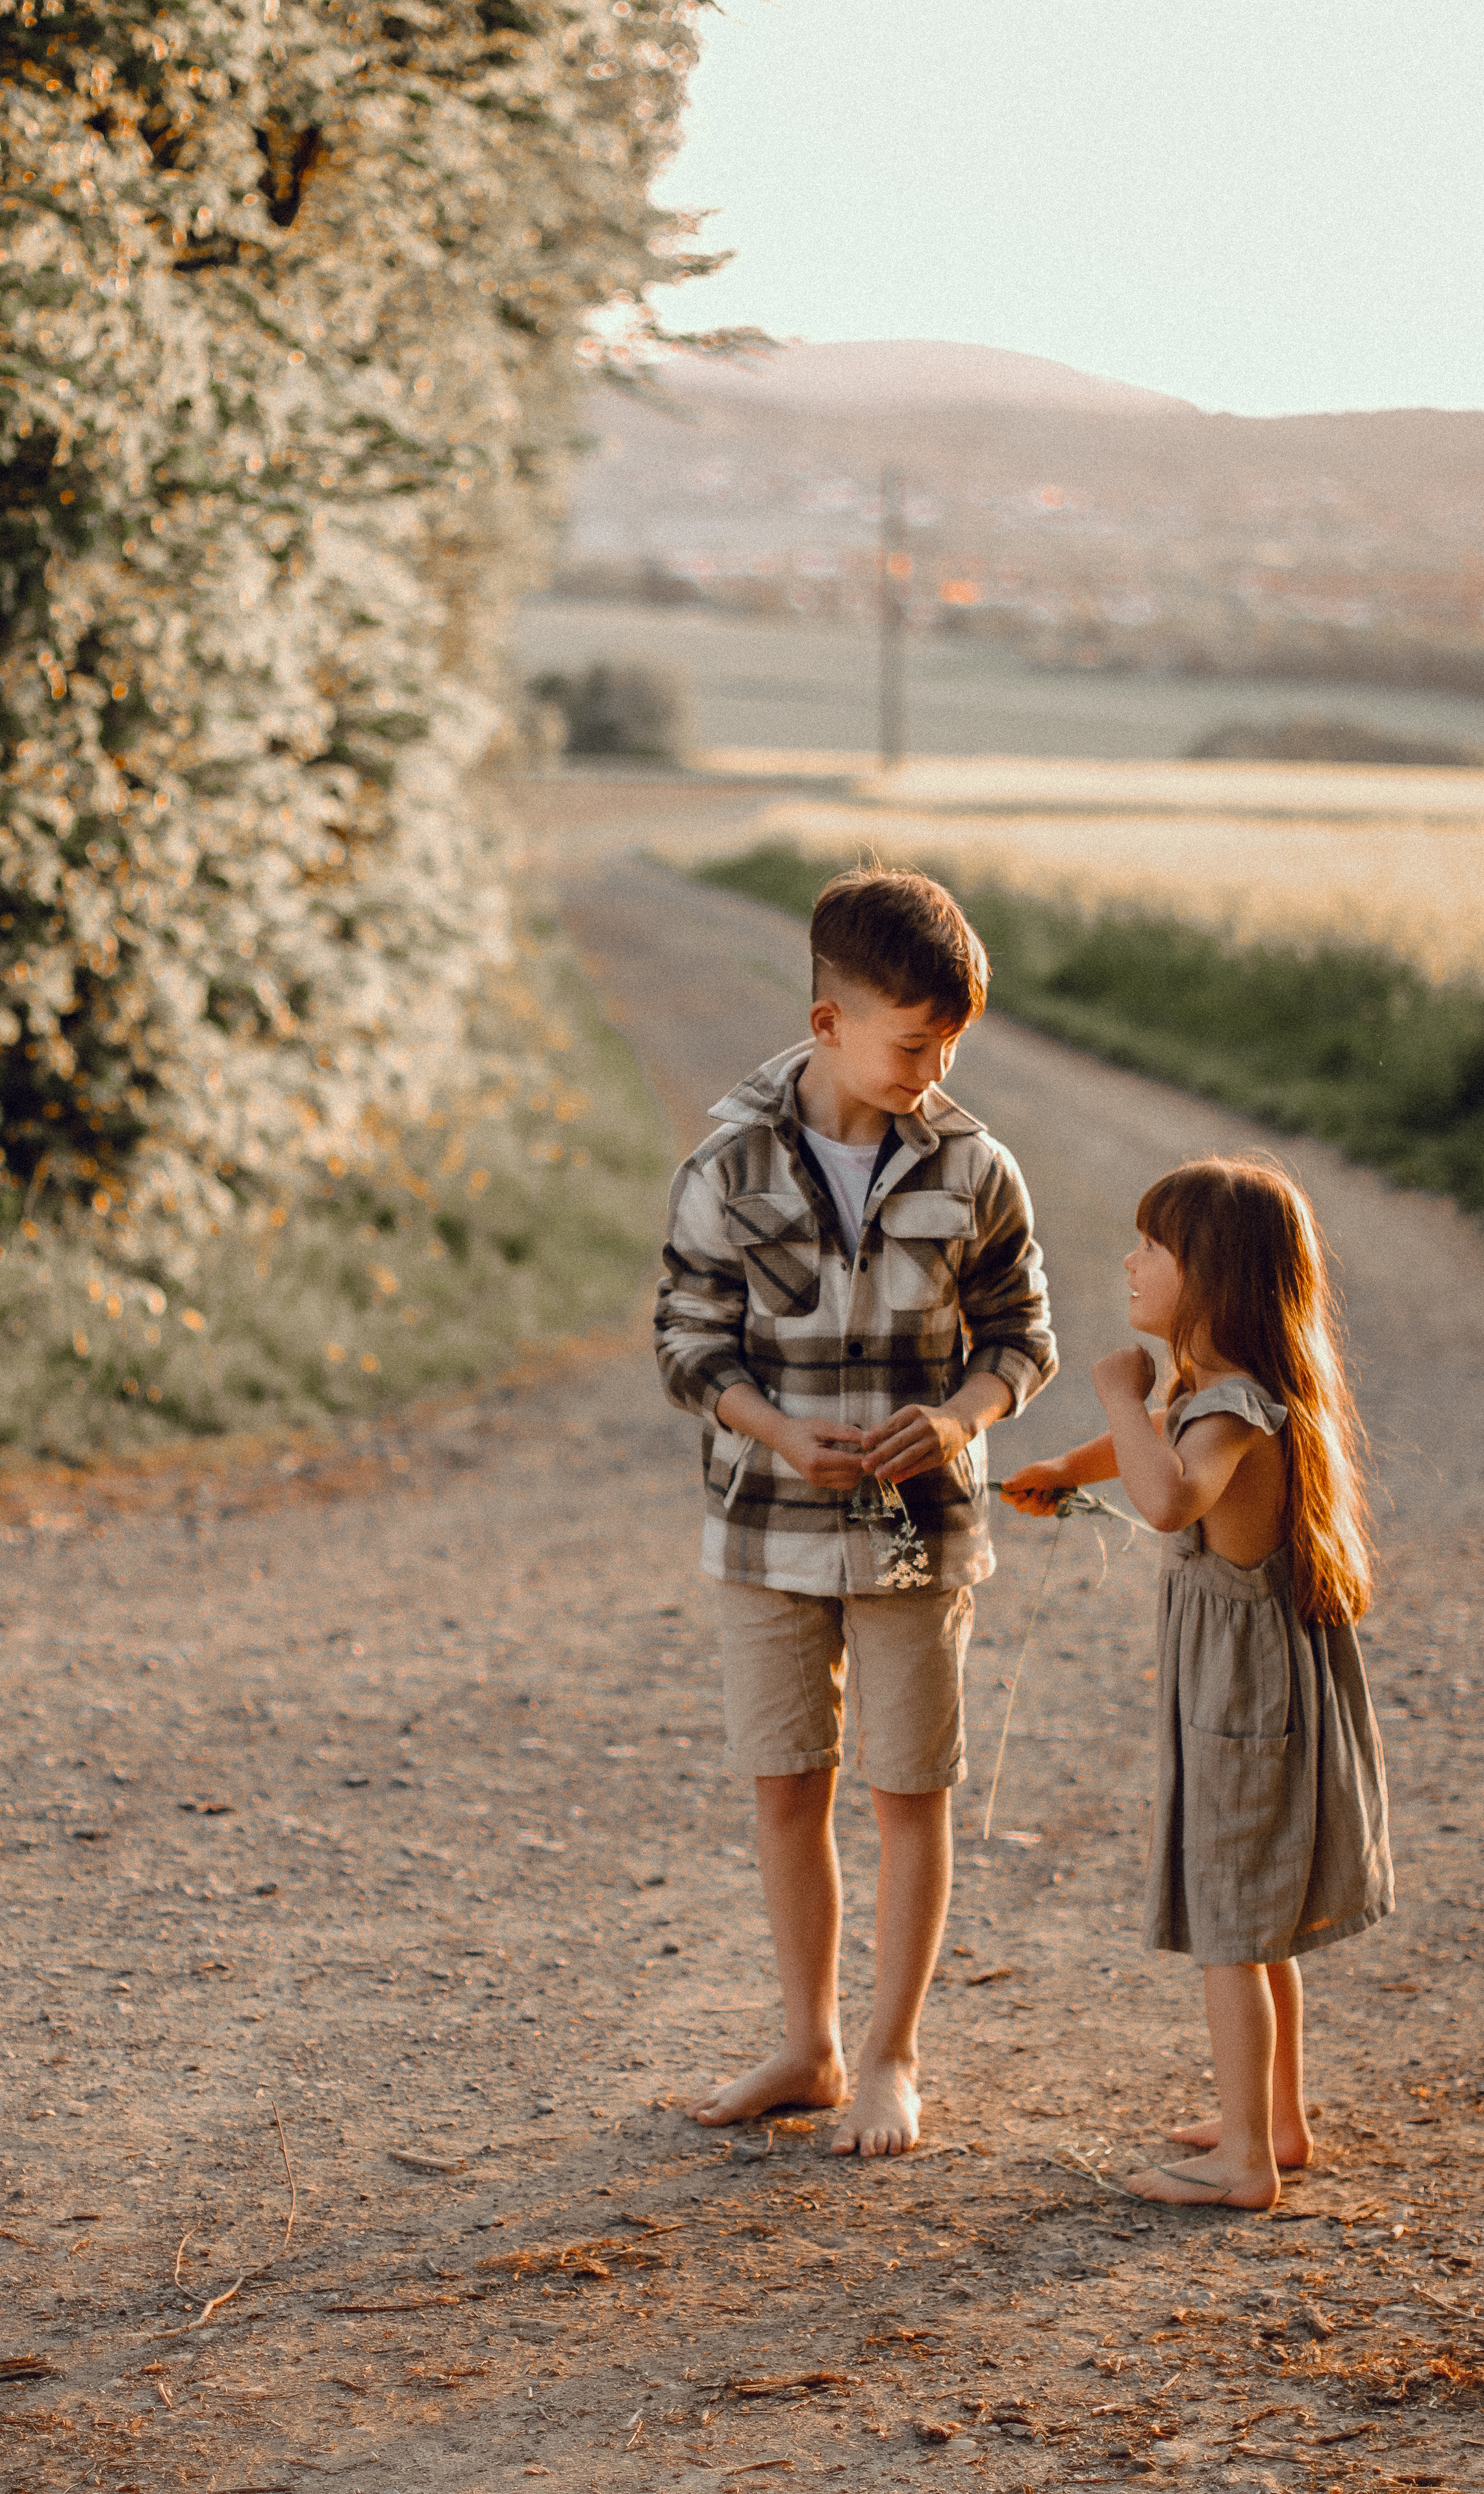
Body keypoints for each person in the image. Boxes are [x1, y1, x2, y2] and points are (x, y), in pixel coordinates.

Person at [655, 865, 1057, 2158]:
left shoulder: (976, 1167)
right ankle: (809, 2044)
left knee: (907, 1794)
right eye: (912, 1044)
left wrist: (958, 1422)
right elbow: (685, 1342)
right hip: (764, 1528)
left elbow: (1022, 1339)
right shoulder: (725, 1163)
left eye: (950, 1047)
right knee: (787, 1789)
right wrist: (775, 1430)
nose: (933, 1071)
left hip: (915, 1533)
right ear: (828, 1023)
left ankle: (890, 2058)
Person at [1003, 1157, 1392, 2208]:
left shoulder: (1233, 1410)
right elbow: (1154, 1450)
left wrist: (1117, 1390)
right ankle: (1277, 2121)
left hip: (1245, 1709)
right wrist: (1068, 1469)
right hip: (1241, 1701)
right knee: (1256, 1928)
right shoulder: (1217, 1399)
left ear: (1214, 1275)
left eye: (1154, 1247)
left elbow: (1171, 1497)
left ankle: (1244, 2163)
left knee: (1232, 1928)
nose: (1131, 1263)